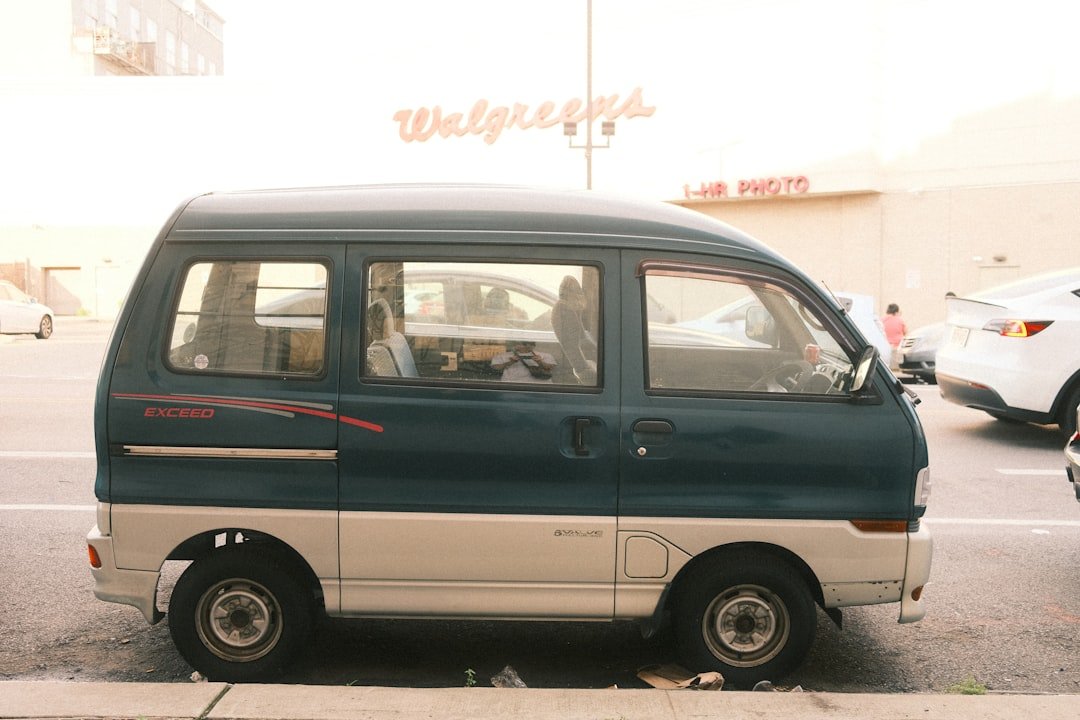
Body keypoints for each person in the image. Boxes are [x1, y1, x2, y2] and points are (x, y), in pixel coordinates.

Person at [490, 340, 556, 383]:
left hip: (540, 387)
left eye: (531, 343)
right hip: (512, 387)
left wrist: (540, 362)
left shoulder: (545, 355)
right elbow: (495, 368)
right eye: (524, 344)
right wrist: (511, 362)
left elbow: (551, 368)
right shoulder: (503, 356)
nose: (528, 346)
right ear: (515, 345)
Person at [882, 302, 908, 369]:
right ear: (896, 312)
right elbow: (906, 333)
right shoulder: (900, 320)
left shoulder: (882, 320)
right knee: (897, 370)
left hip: (886, 348)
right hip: (897, 348)